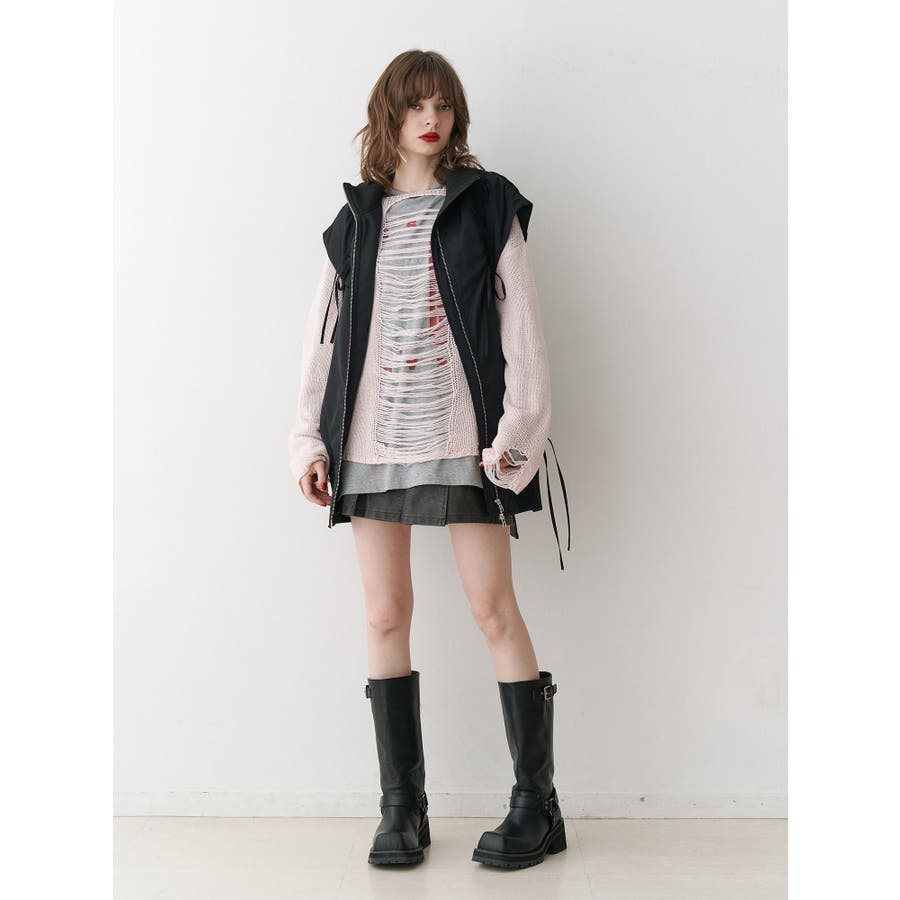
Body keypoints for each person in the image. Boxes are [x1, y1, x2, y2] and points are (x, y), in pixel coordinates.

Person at [288, 49, 571, 869]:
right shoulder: (357, 221)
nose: (432, 118)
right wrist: (309, 439)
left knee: (493, 610)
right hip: (369, 444)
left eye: (443, 104)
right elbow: (322, 341)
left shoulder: (486, 205)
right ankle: (401, 810)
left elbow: (522, 331)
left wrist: (517, 436)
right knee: (384, 614)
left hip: (467, 444)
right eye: (416, 104)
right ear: (391, 114)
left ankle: (537, 806)